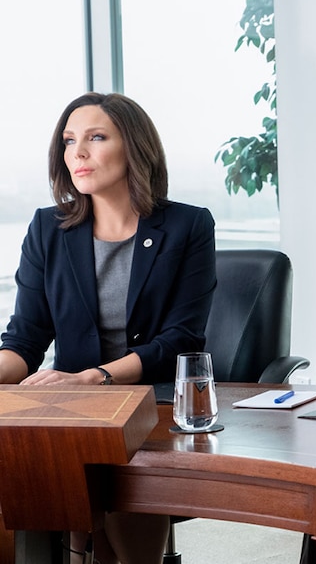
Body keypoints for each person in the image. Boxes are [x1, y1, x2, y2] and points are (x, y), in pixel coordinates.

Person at [0, 92, 217, 563]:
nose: (77, 152)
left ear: (135, 147)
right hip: (73, 410)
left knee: (123, 477)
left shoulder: (188, 226)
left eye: (96, 137)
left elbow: (181, 340)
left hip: (150, 402)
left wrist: (93, 378)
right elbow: (25, 339)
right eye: (69, 141)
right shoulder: (47, 229)